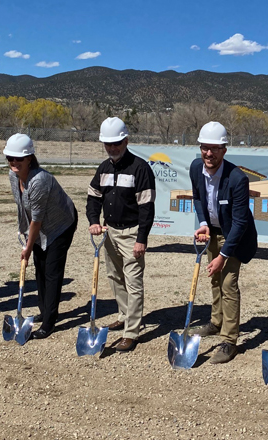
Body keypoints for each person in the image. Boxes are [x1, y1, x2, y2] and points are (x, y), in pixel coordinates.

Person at [188, 121, 258, 364]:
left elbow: (239, 223)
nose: (209, 153)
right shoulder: (196, 167)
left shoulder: (237, 179)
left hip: (234, 235)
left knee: (228, 283)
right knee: (214, 278)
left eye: (215, 148)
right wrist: (203, 223)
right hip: (213, 231)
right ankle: (216, 322)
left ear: (224, 150)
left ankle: (229, 340)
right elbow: (198, 198)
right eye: (205, 147)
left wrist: (223, 255)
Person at [86, 117, 156, 352]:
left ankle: (131, 333)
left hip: (132, 233)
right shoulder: (103, 168)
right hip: (110, 232)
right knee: (115, 278)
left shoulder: (140, 168)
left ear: (126, 140)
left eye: (116, 143)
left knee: (133, 282)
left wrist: (141, 239)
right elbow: (93, 197)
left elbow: (147, 207)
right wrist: (94, 221)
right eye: (108, 144)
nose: (112, 147)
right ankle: (124, 315)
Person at [6, 134, 77, 339]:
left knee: (52, 271)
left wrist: (27, 247)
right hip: (38, 226)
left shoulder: (40, 181)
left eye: (19, 158)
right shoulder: (13, 176)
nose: (14, 162)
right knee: (40, 266)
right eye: (10, 158)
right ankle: (44, 310)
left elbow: (37, 220)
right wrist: (26, 235)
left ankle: (49, 322)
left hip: (61, 224)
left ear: (30, 158)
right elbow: (22, 207)